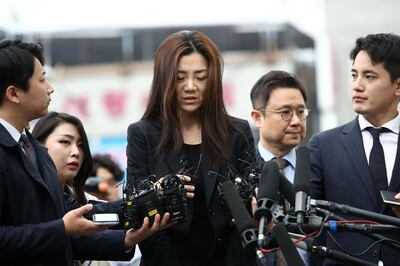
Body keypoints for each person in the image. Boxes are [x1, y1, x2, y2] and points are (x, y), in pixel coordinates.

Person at [0, 40, 168, 265]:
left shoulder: (34, 150)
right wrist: (60, 229)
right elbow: (60, 230)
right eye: (41, 80)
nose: (50, 87)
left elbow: (77, 220)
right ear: (14, 93)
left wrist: (137, 219)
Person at [126, 30, 256, 266]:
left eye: (200, 77)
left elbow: (247, 210)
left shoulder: (237, 132)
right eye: (180, 77)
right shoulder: (142, 134)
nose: (190, 86)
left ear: (213, 79)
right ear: (165, 80)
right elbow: (141, 215)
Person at [308, 33, 400, 265]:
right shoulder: (324, 145)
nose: (357, 85)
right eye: (354, 75)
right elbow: (307, 223)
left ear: (397, 86)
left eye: (369, 76)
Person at [250, 70, 310, 265]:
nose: (295, 121)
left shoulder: (316, 165)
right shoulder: (243, 169)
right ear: (258, 117)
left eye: (301, 112)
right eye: (285, 112)